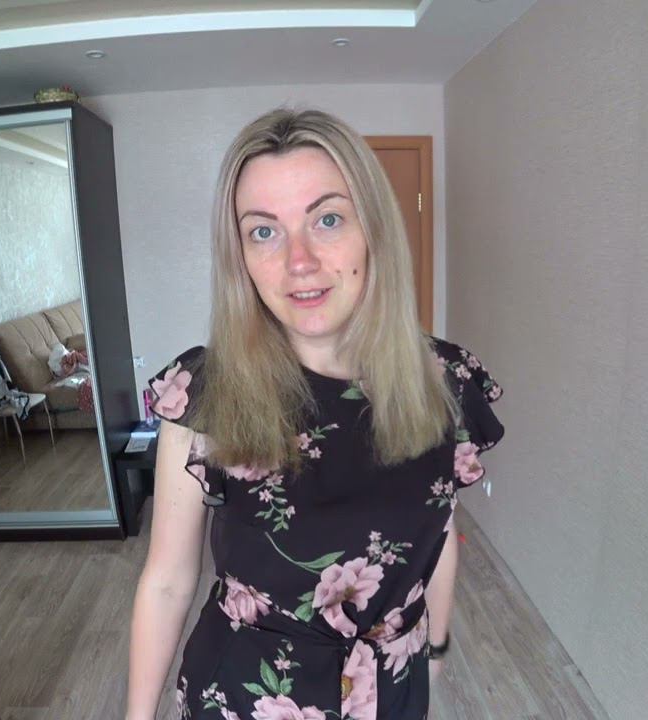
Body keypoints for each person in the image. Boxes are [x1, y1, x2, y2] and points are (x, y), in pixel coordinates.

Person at [125, 107, 505, 720]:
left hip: (391, 686)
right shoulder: (208, 392)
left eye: (327, 219)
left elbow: (438, 535)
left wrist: (434, 646)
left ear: (372, 230)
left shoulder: (446, 383)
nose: (298, 261)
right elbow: (167, 581)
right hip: (248, 696)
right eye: (264, 232)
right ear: (240, 257)